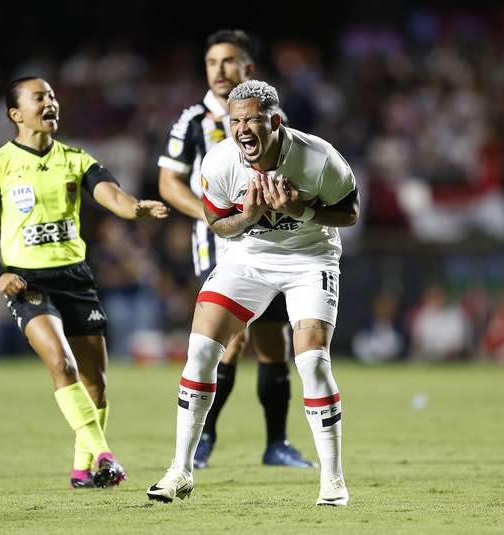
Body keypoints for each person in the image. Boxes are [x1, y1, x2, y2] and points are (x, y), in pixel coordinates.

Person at [148, 80, 359, 506]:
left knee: (312, 361)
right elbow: (216, 221)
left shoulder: (317, 157)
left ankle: (333, 481)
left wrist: (302, 210)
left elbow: (350, 212)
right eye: (236, 120)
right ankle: (180, 470)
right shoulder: (221, 162)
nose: (243, 128)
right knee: (200, 351)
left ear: (275, 121)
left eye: (252, 120)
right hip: (247, 258)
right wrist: (247, 215)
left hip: (310, 259)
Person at [0, 76, 168, 489]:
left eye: (53, 96)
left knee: (97, 384)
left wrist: (135, 210)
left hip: (75, 278)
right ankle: (105, 455)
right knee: (62, 363)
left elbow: (110, 194)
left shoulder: (75, 159)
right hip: (27, 282)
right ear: (16, 114)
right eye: (40, 97)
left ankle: (82, 470)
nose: (50, 102)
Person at [157, 29, 312, 469]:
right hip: (218, 244)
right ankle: (203, 440)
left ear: (249, 69)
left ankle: (276, 445)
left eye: (228, 62)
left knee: (272, 340)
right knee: (231, 337)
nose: (219, 71)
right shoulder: (191, 121)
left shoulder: (269, 116)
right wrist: (210, 215)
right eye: (211, 63)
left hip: (272, 242)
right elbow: (169, 182)